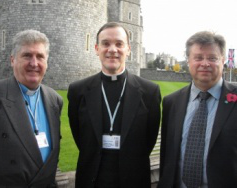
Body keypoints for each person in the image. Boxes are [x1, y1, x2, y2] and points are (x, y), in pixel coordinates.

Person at [68, 22, 161, 188]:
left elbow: (149, 139)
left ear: (128, 49)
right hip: (91, 180)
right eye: (105, 43)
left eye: (119, 44)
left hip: (134, 179)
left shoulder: (149, 92)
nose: (112, 49)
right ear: (96, 49)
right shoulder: (78, 91)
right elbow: (80, 137)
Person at [158, 31, 237, 188]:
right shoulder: (171, 102)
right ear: (189, 61)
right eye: (198, 57)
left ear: (223, 60)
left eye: (212, 58)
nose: (205, 63)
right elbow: (167, 155)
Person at [0, 29, 63, 187]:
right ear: (13, 60)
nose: (34, 63)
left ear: (47, 62)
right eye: (27, 55)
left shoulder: (55, 100)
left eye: (40, 57)